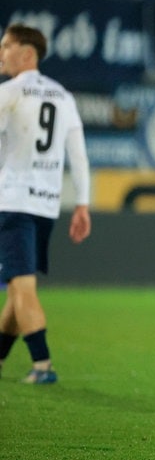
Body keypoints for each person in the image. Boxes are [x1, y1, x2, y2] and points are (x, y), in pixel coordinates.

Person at [0, 24, 91, 384]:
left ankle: (42, 365)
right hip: (46, 207)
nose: (1, 52)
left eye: (6, 46)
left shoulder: (11, 91)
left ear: (27, 54)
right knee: (17, 290)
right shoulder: (63, 96)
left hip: (12, 202)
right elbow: (78, 156)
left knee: (21, 288)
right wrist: (82, 204)